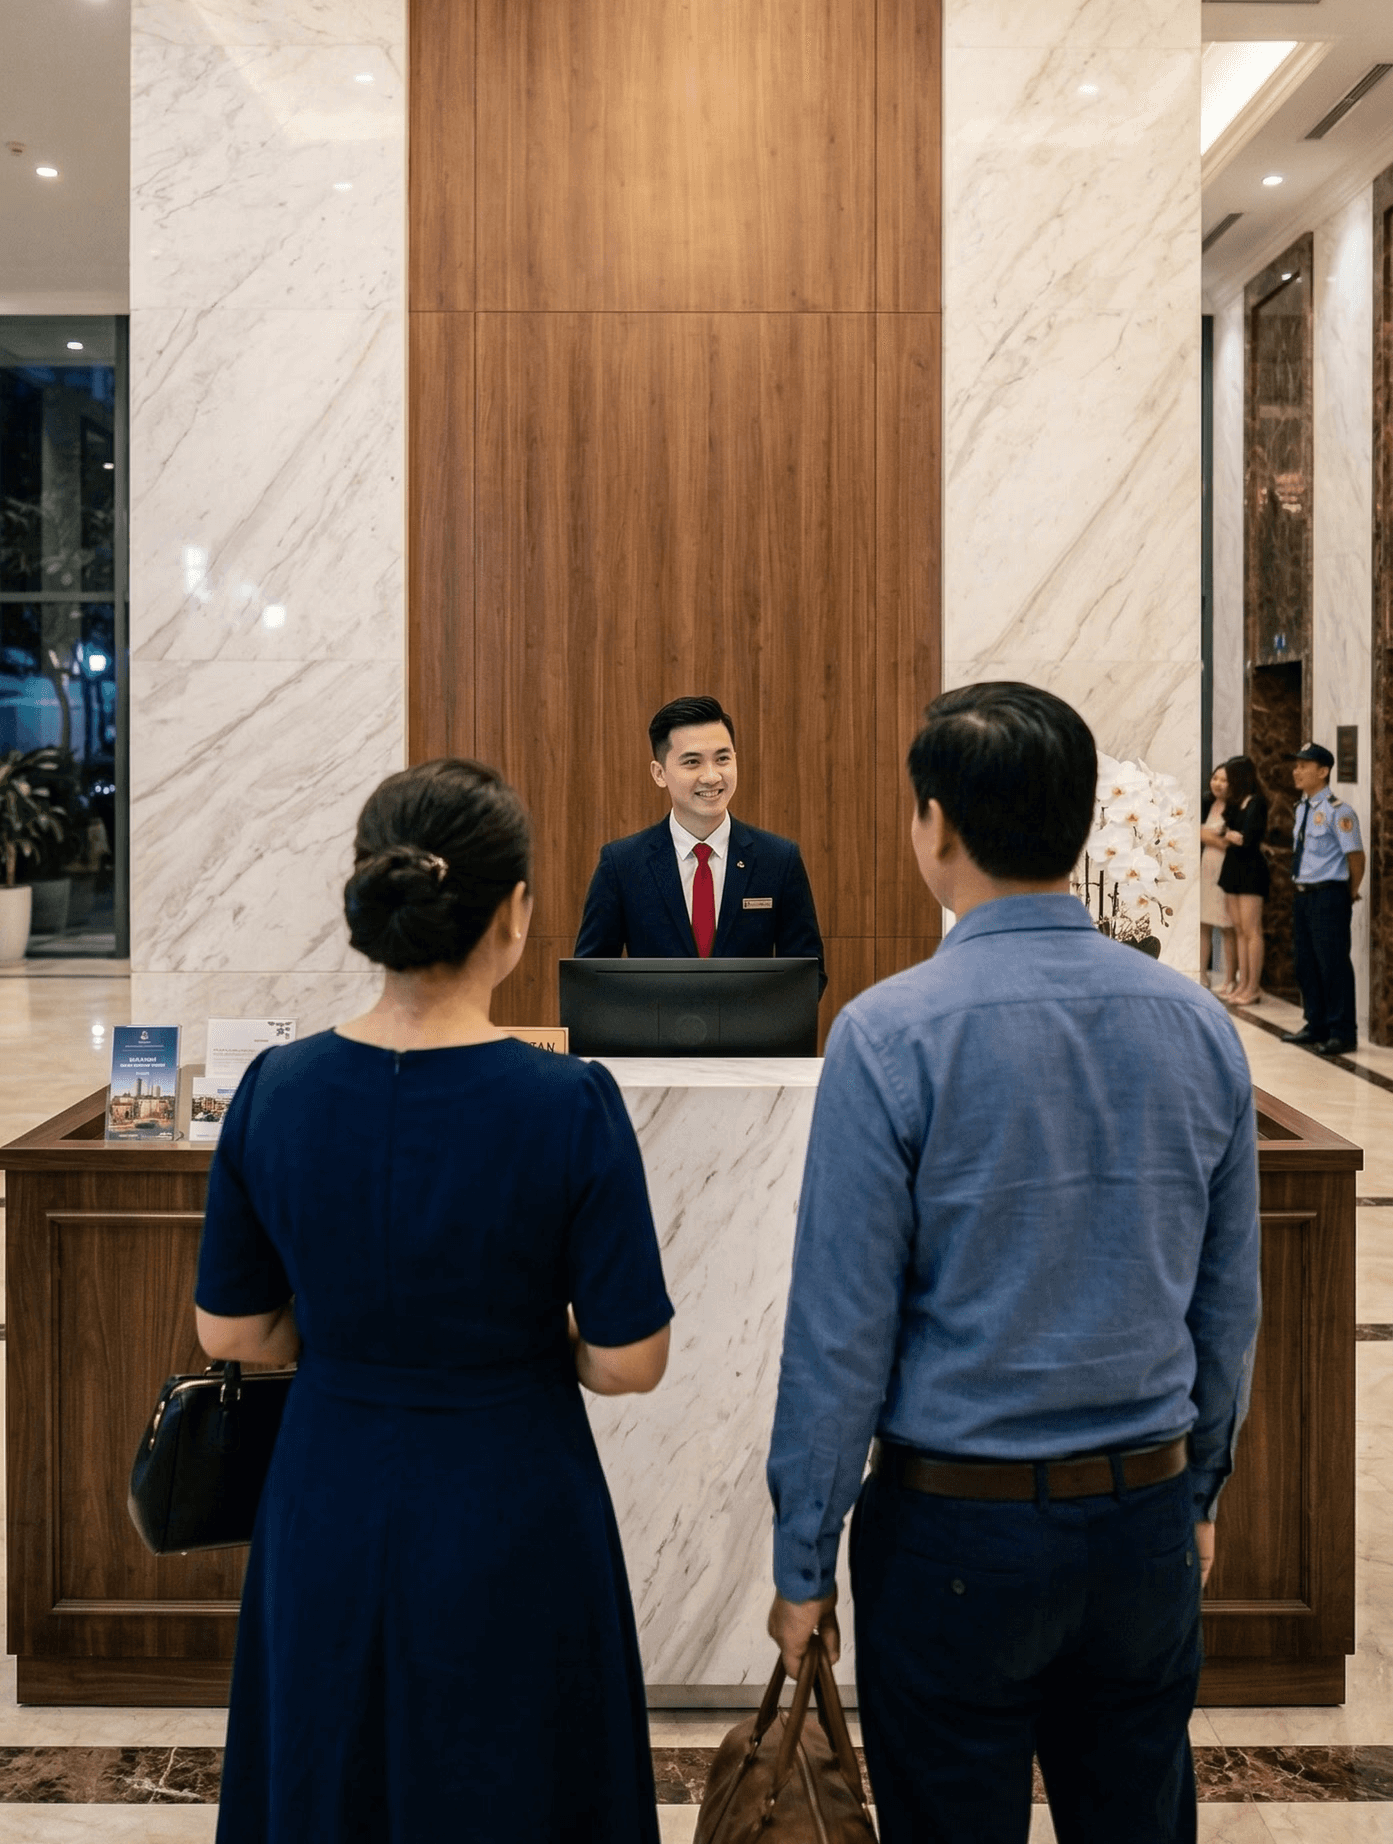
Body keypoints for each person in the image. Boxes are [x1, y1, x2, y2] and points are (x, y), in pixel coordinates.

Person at [765, 681, 1260, 1844]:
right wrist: (1197, 1492)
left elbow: (841, 1334)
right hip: (1139, 1516)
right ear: (1082, 823)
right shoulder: (1197, 1026)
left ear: (934, 824)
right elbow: (1226, 1304)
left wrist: (803, 1558)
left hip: (953, 1536)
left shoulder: (889, 1033)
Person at [195, 758, 674, 1844]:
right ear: (513, 914)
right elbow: (627, 1358)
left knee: (331, 1777)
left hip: (329, 1491)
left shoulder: (277, 1086)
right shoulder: (568, 1102)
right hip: (514, 1497)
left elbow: (232, 1329)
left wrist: (359, 1324)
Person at [574, 694, 826, 992]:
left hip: (750, 1037)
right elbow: (591, 978)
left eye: (722, 758)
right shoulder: (622, 863)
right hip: (653, 1037)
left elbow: (807, 974)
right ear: (659, 773)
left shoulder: (779, 859)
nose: (711, 776)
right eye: (692, 762)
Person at [1280, 740, 1365, 1057]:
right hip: (1303, 896)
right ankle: (1316, 1024)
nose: (1296, 771)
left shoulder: (1338, 811)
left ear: (1323, 771)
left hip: (1329, 895)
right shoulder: (1302, 808)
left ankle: (1342, 1032)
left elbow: (1356, 857)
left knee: (1333, 965)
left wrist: (1350, 891)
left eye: (1303, 766)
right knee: (1306, 963)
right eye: (1296, 765)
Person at [1215, 753, 1269, 1006]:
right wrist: (1231, 834)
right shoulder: (1236, 802)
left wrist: (1236, 835)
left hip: (1250, 868)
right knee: (1238, 929)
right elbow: (1227, 831)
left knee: (1251, 930)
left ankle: (1253, 986)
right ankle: (1241, 981)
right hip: (1233, 866)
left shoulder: (1257, 802)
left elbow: (1249, 837)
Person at [1198, 764, 1238, 995]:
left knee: (1226, 924)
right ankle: (1201, 973)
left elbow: (1226, 842)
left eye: (1224, 780)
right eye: (1215, 778)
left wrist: (1203, 834)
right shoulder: (1206, 803)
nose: (1218, 784)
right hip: (1206, 866)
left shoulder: (1234, 809)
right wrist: (1207, 835)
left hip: (1225, 869)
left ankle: (1230, 977)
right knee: (1204, 921)